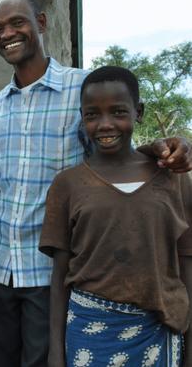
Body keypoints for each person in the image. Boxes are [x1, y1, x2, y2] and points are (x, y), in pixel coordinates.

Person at [0, 0, 192, 367]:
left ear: (40, 24)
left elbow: (119, 147)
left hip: (49, 268)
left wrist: (168, 146)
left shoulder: (81, 88)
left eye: (17, 22)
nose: (7, 33)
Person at [40, 66, 192, 367]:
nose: (105, 124)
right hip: (89, 334)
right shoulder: (67, 184)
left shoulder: (172, 177)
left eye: (118, 112)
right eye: (92, 114)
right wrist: (55, 352)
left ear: (139, 112)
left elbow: (186, 262)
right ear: (82, 118)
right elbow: (59, 276)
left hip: (158, 333)